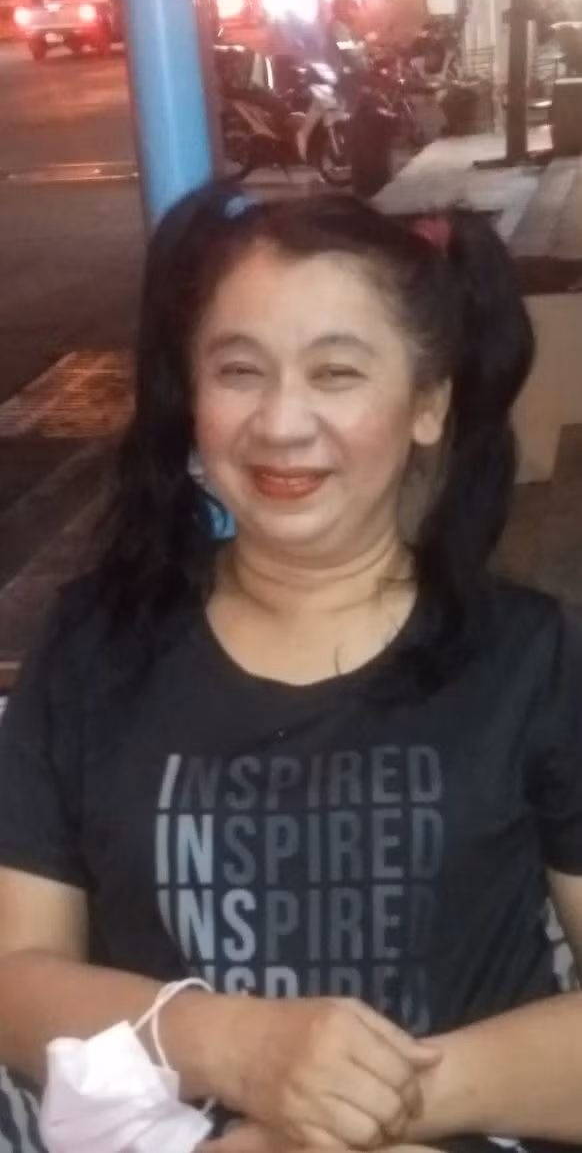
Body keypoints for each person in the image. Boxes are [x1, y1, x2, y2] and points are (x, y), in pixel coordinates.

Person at [0, 183, 581, 1153]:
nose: (280, 422)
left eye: (336, 373)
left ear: (428, 404)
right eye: (239, 370)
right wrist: (240, 1048)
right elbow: (16, 980)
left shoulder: (536, 659)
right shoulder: (92, 648)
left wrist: (333, 1113)